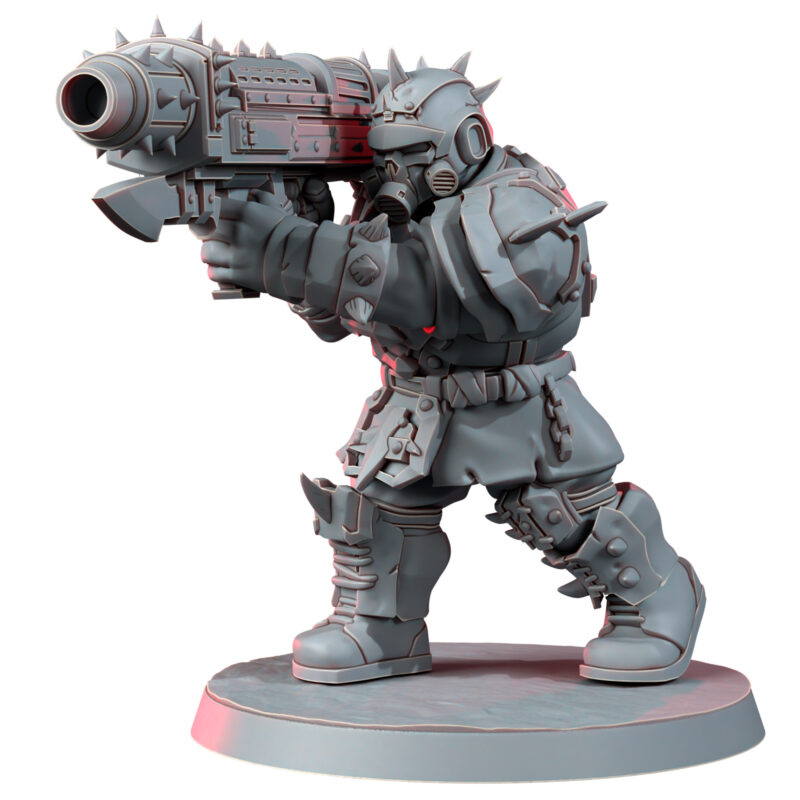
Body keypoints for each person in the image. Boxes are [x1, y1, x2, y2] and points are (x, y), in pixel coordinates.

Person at [198, 51, 705, 685]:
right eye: (384, 158)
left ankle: (656, 596)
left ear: (465, 140)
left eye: (410, 155)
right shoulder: (389, 202)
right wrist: (288, 241)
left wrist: (296, 252)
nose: (395, 174)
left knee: (562, 512)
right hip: (417, 399)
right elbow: (342, 319)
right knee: (379, 513)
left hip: (518, 401)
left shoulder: (519, 201)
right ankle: (379, 626)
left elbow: (434, 287)